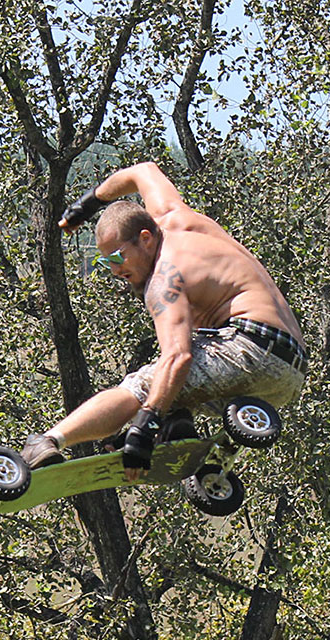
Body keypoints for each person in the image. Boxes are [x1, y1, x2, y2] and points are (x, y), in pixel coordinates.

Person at [21, 162, 308, 480]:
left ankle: (47, 441)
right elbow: (141, 172)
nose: (116, 271)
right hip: (288, 373)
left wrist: (145, 426)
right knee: (176, 388)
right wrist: (88, 204)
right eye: (106, 262)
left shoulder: (164, 280)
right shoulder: (175, 217)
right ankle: (178, 425)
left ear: (145, 239)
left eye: (118, 258)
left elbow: (178, 357)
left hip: (247, 351)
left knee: (143, 385)